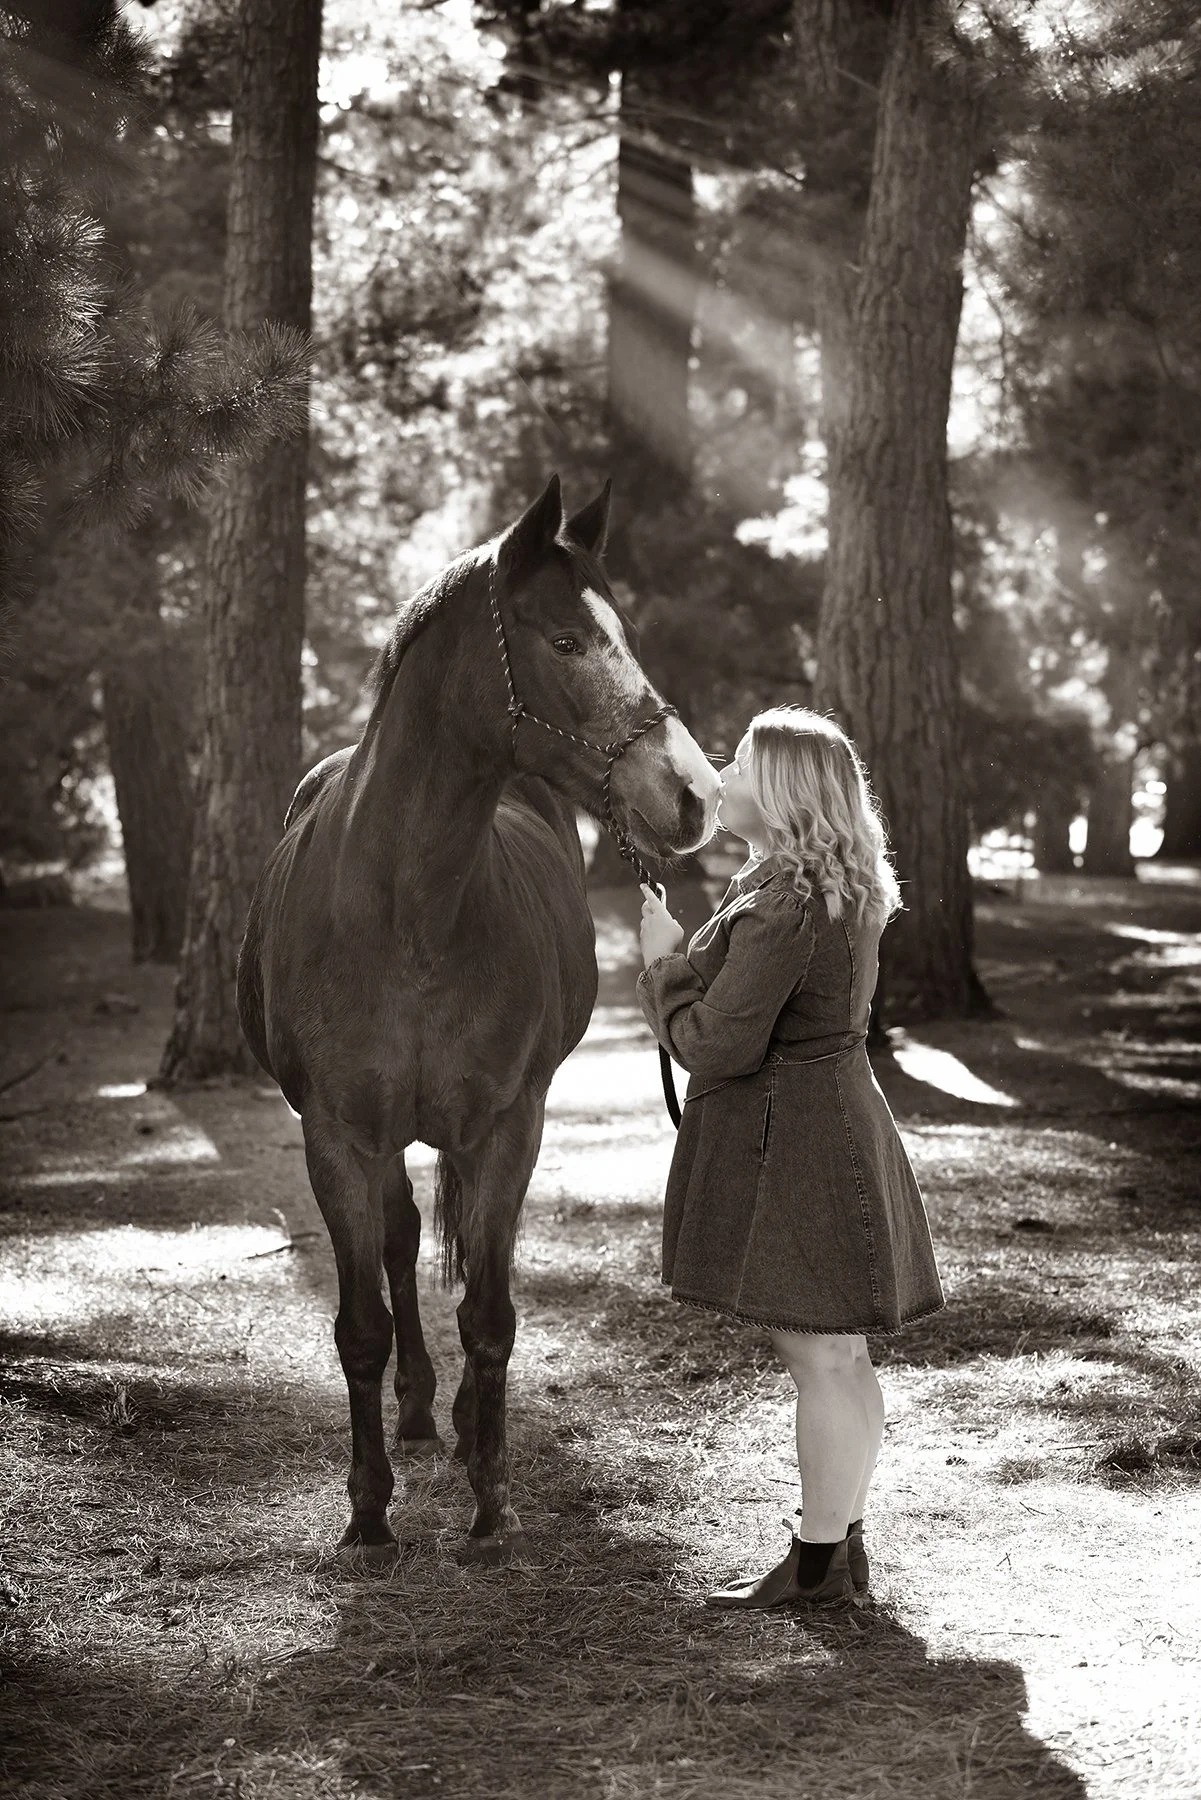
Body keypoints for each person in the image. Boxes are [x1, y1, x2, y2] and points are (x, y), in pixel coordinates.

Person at [635, 706, 944, 1608]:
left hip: (795, 1138)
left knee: (819, 1358)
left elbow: (718, 1045)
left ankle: (815, 1562)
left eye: (739, 763)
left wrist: (661, 966)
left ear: (782, 793)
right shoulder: (821, 883)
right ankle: (837, 1548)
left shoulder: (782, 901)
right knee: (840, 1357)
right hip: (831, 1120)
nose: (721, 774)